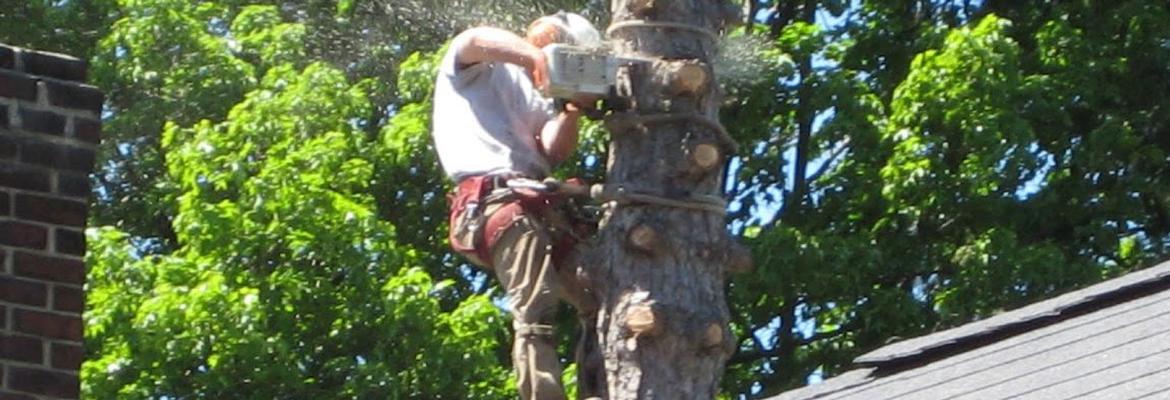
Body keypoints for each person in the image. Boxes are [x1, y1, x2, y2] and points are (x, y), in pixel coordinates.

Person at [432, 12, 603, 400]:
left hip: (537, 204)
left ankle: (603, 390)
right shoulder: (477, 67)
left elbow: (552, 148)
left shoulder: (535, 95)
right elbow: (475, 37)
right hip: (496, 203)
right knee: (537, 305)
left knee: (598, 294)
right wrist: (536, 58)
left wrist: (573, 108)